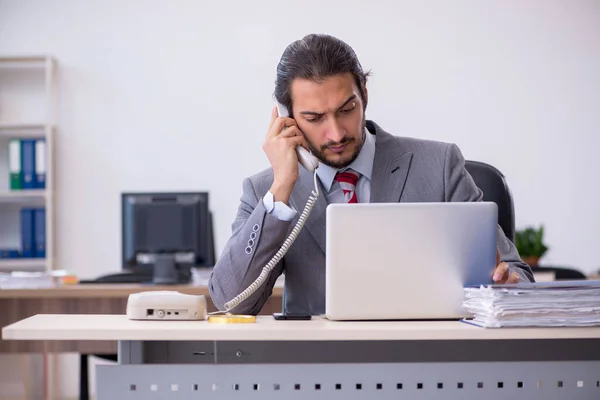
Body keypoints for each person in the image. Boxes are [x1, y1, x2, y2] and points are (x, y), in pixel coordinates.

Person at [209, 33, 534, 316]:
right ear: (287, 118)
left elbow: (519, 275)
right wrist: (282, 187)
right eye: (314, 118)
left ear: (364, 94)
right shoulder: (264, 191)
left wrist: (507, 284)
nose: (335, 133)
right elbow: (232, 303)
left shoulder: (440, 166)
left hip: (428, 366)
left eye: (347, 110)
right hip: (317, 373)